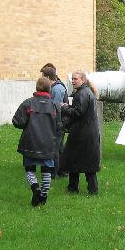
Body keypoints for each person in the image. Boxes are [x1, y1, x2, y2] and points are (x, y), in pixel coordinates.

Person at [12, 76, 64, 206]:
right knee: (47, 171)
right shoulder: (55, 106)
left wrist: (28, 125)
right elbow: (59, 125)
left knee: (30, 169)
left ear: (37, 87)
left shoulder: (28, 103)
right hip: (48, 144)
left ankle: (35, 189)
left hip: (30, 142)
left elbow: (17, 121)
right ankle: (44, 195)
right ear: (49, 88)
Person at [59, 70, 101, 195]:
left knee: (73, 160)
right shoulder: (86, 92)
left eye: (75, 79)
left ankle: (73, 188)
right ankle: (91, 190)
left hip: (81, 133)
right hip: (88, 133)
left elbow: (78, 112)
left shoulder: (82, 93)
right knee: (88, 163)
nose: (73, 81)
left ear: (83, 80)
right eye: (72, 79)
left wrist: (65, 108)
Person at [40, 64, 69, 177]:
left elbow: (55, 109)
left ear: (47, 77)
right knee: (59, 147)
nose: (41, 78)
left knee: (54, 148)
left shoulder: (56, 89)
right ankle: (63, 170)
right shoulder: (58, 87)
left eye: (43, 76)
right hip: (59, 122)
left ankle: (53, 172)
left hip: (57, 123)